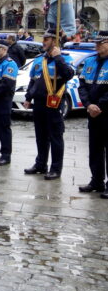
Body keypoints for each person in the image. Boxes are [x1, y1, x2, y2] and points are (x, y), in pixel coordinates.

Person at [23, 28, 74, 180]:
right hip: (39, 103)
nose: (43, 42)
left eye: (46, 39)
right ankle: (40, 164)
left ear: (54, 40)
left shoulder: (64, 59)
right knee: (41, 136)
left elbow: (68, 75)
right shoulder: (40, 59)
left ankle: (56, 169)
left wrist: (58, 58)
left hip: (54, 103)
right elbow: (33, 81)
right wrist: (28, 97)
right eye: (43, 39)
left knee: (55, 137)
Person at [77, 31, 108, 197]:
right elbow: (82, 85)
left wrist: (99, 105)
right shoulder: (90, 61)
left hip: (106, 113)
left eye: (100, 43)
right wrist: (89, 105)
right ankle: (96, 181)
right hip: (93, 113)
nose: (96, 46)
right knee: (95, 149)